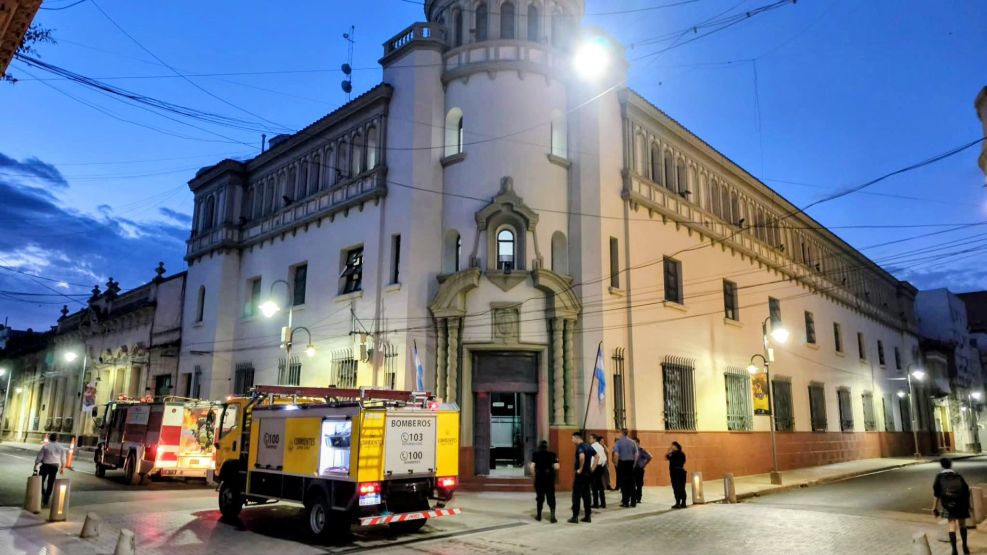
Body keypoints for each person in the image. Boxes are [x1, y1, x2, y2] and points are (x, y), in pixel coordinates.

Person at [933, 458, 971, 555]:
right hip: (961, 504)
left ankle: (954, 550)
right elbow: (966, 490)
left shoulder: (939, 477)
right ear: (951, 465)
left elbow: (936, 494)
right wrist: (967, 504)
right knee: (962, 524)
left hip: (948, 505)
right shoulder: (958, 476)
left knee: (951, 526)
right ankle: (965, 547)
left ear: (942, 465)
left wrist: (934, 508)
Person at [568, 431, 596, 523]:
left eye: (572, 438)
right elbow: (597, 457)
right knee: (586, 495)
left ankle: (575, 517)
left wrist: (580, 469)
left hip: (581, 475)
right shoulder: (588, 446)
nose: (572, 440)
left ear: (577, 437)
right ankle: (588, 516)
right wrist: (592, 468)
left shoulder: (580, 447)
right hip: (588, 474)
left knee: (576, 495)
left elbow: (581, 457)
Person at [529, 440, 560, 523]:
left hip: (539, 478)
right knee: (551, 497)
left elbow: (532, 467)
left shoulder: (535, 454)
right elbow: (557, 467)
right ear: (547, 447)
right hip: (549, 478)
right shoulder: (552, 454)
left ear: (539, 447)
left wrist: (534, 476)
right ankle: (552, 517)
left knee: (540, 497)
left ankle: (539, 516)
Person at [34, 439, 66, 506]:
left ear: (50, 439)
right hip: (54, 466)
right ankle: (47, 497)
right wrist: (62, 467)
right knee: (50, 482)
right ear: (57, 439)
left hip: (45, 465)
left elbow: (40, 456)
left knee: (41, 481)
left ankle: (43, 493)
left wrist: (36, 464)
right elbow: (63, 458)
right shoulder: (61, 447)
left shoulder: (45, 446)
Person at [612, 428, 638, 507]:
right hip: (630, 463)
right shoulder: (633, 442)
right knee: (632, 483)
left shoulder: (618, 443)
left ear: (622, 433)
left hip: (622, 463)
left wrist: (616, 464)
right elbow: (636, 454)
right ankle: (633, 502)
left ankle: (625, 502)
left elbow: (616, 454)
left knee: (624, 483)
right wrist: (634, 463)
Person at [666, 441, 688, 509]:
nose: (672, 447)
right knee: (678, 487)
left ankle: (681, 503)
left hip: (678, 472)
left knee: (679, 487)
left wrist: (670, 453)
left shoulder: (678, 454)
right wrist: (669, 452)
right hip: (677, 472)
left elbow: (669, 458)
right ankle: (680, 503)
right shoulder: (675, 453)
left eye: (673, 446)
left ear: (677, 446)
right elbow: (667, 457)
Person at [589, 434, 608, 508]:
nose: (589, 440)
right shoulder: (601, 447)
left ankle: (596, 503)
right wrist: (601, 466)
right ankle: (603, 503)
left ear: (594, 439)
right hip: (600, 467)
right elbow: (604, 458)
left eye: (590, 438)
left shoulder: (592, 447)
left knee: (594, 486)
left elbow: (592, 459)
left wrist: (591, 468)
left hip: (594, 467)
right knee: (600, 486)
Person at [632, 437, 652, 504]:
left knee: (639, 484)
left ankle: (638, 498)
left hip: (639, 469)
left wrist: (645, 464)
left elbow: (650, 457)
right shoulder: (631, 451)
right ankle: (633, 497)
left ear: (638, 443)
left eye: (635, 442)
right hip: (632, 469)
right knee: (632, 484)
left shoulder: (641, 450)